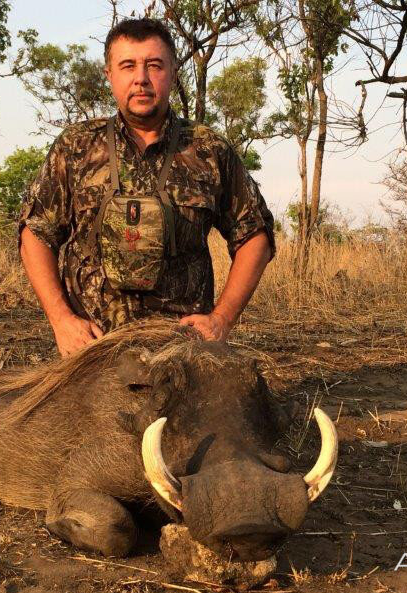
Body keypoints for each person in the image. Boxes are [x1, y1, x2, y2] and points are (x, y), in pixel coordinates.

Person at [18, 18, 275, 356]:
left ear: (173, 72)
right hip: (90, 350)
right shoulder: (75, 146)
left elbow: (255, 234)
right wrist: (62, 320)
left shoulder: (210, 150)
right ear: (110, 75)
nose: (141, 79)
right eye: (128, 66)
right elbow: (35, 234)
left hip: (181, 349)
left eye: (154, 65)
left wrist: (221, 319)